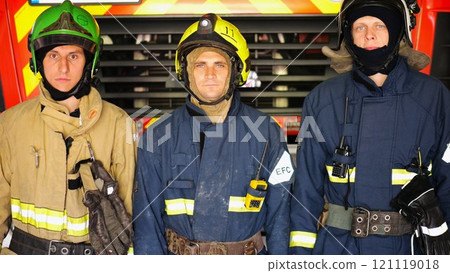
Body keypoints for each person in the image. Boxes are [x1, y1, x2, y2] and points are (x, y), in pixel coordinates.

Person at [290, 0, 450, 255]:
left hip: (409, 251)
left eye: (379, 25)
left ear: (398, 31)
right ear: (348, 35)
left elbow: (447, 184)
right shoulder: (321, 100)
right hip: (339, 249)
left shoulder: (434, 98)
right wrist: (300, 258)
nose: (370, 35)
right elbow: (306, 190)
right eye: (360, 27)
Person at [133, 13, 294, 255]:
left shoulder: (266, 132)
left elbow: (281, 221)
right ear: (185, 71)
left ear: (236, 72)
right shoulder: (157, 136)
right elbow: (147, 228)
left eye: (219, 64)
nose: (210, 74)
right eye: (200, 65)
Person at [0, 0, 136, 255]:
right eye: (53, 55)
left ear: (90, 62)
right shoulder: (9, 125)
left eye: (73, 55)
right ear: (38, 61)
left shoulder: (119, 125)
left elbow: (129, 212)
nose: (63, 67)